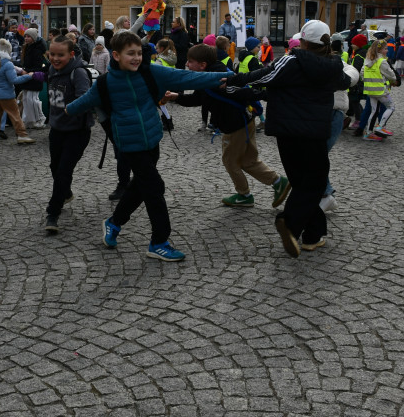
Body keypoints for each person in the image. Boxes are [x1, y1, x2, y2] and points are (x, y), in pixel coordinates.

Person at [65, 31, 232, 261]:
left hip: (152, 139)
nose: (135, 58)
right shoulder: (106, 83)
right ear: (115, 55)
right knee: (154, 187)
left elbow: (185, 77)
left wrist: (223, 77)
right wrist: (66, 111)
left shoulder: (150, 71)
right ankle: (158, 242)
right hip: (130, 144)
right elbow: (83, 102)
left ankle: (114, 223)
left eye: (138, 53)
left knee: (140, 185)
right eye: (129, 54)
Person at [228, 21, 353, 257]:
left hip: (286, 131)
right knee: (314, 184)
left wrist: (234, 82)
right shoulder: (333, 66)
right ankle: (292, 224)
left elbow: (263, 76)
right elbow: (346, 82)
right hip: (314, 133)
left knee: (302, 181)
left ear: (303, 41)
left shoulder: (291, 60)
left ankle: (310, 235)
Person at [168, 43, 289, 210]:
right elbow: (198, 99)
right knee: (248, 160)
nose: (187, 64)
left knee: (230, 161)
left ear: (202, 65)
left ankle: (244, 195)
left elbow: (242, 92)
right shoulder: (210, 75)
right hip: (245, 121)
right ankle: (279, 182)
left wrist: (268, 96)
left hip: (235, 126)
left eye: (190, 61)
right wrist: (176, 97)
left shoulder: (215, 79)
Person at [42, 36, 94, 233]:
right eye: (52, 54)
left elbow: (86, 97)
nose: (55, 59)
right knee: (55, 167)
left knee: (63, 170)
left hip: (77, 131)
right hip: (57, 129)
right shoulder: (51, 70)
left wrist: (71, 108)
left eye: (60, 55)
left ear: (71, 54)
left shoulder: (78, 72)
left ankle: (52, 213)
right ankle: (66, 192)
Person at [319, 37, 360, 212]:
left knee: (317, 155)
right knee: (316, 155)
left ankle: (326, 194)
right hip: (320, 112)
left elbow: (351, 74)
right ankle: (326, 195)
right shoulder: (312, 62)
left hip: (333, 111)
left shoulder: (336, 63)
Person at [0, 38, 36, 145]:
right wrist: (29, 76)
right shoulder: (8, 64)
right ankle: (22, 135)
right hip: (6, 94)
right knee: (15, 115)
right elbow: (14, 80)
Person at [360, 40, 397, 141]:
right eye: (385, 49)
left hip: (370, 90)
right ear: (379, 50)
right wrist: (393, 80)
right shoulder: (382, 61)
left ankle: (368, 133)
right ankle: (380, 126)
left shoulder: (367, 60)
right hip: (380, 90)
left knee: (373, 111)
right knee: (391, 107)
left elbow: (362, 74)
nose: (387, 51)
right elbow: (391, 75)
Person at [19, 27, 48, 128]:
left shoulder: (37, 50)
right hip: (28, 76)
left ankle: (39, 118)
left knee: (32, 99)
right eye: (25, 36)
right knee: (26, 99)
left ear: (33, 38)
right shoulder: (28, 48)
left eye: (28, 36)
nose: (26, 38)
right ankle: (28, 120)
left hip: (34, 77)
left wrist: (28, 70)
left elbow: (38, 66)